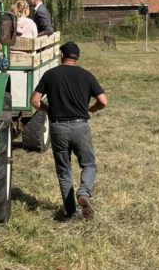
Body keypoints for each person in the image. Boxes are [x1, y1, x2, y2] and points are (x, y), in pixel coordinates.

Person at [30, 41, 107, 220]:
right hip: (80, 126)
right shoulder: (86, 75)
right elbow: (103, 101)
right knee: (88, 165)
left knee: (64, 170)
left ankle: (71, 212)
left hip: (57, 127)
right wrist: (91, 109)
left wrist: (49, 110)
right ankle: (84, 193)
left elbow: (34, 100)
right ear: (76, 57)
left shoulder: (50, 75)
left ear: (61, 55)